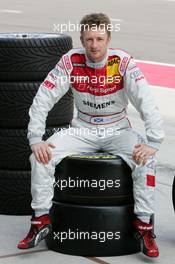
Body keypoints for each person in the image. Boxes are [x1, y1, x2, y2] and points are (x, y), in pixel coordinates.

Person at [17, 13, 164, 258]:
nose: (94, 45)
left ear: (108, 38)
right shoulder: (70, 61)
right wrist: (35, 138)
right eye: (88, 39)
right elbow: (43, 98)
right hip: (82, 130)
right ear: (82, 40)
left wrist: (154, 141)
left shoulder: (122, 62)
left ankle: (144, 227)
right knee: (40, 156)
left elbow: (146, 101)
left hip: (118, 129)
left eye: (99, 39)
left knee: (146, 160)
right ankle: (40, 221)